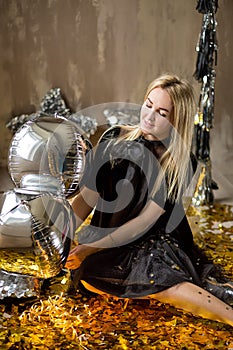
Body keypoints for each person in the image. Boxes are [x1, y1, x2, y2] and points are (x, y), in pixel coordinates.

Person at [65, 73, 233, 327]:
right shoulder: (114, 138)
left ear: (177, 121)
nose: (149, 116)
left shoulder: (182, 162)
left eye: (162, 113)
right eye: (148, 104)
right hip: (109, 239)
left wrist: (91, 247)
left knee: (161, 280)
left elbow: (144, 222)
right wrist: (61, 235)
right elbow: (87, 198)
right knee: (89, 278)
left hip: (152, 238)